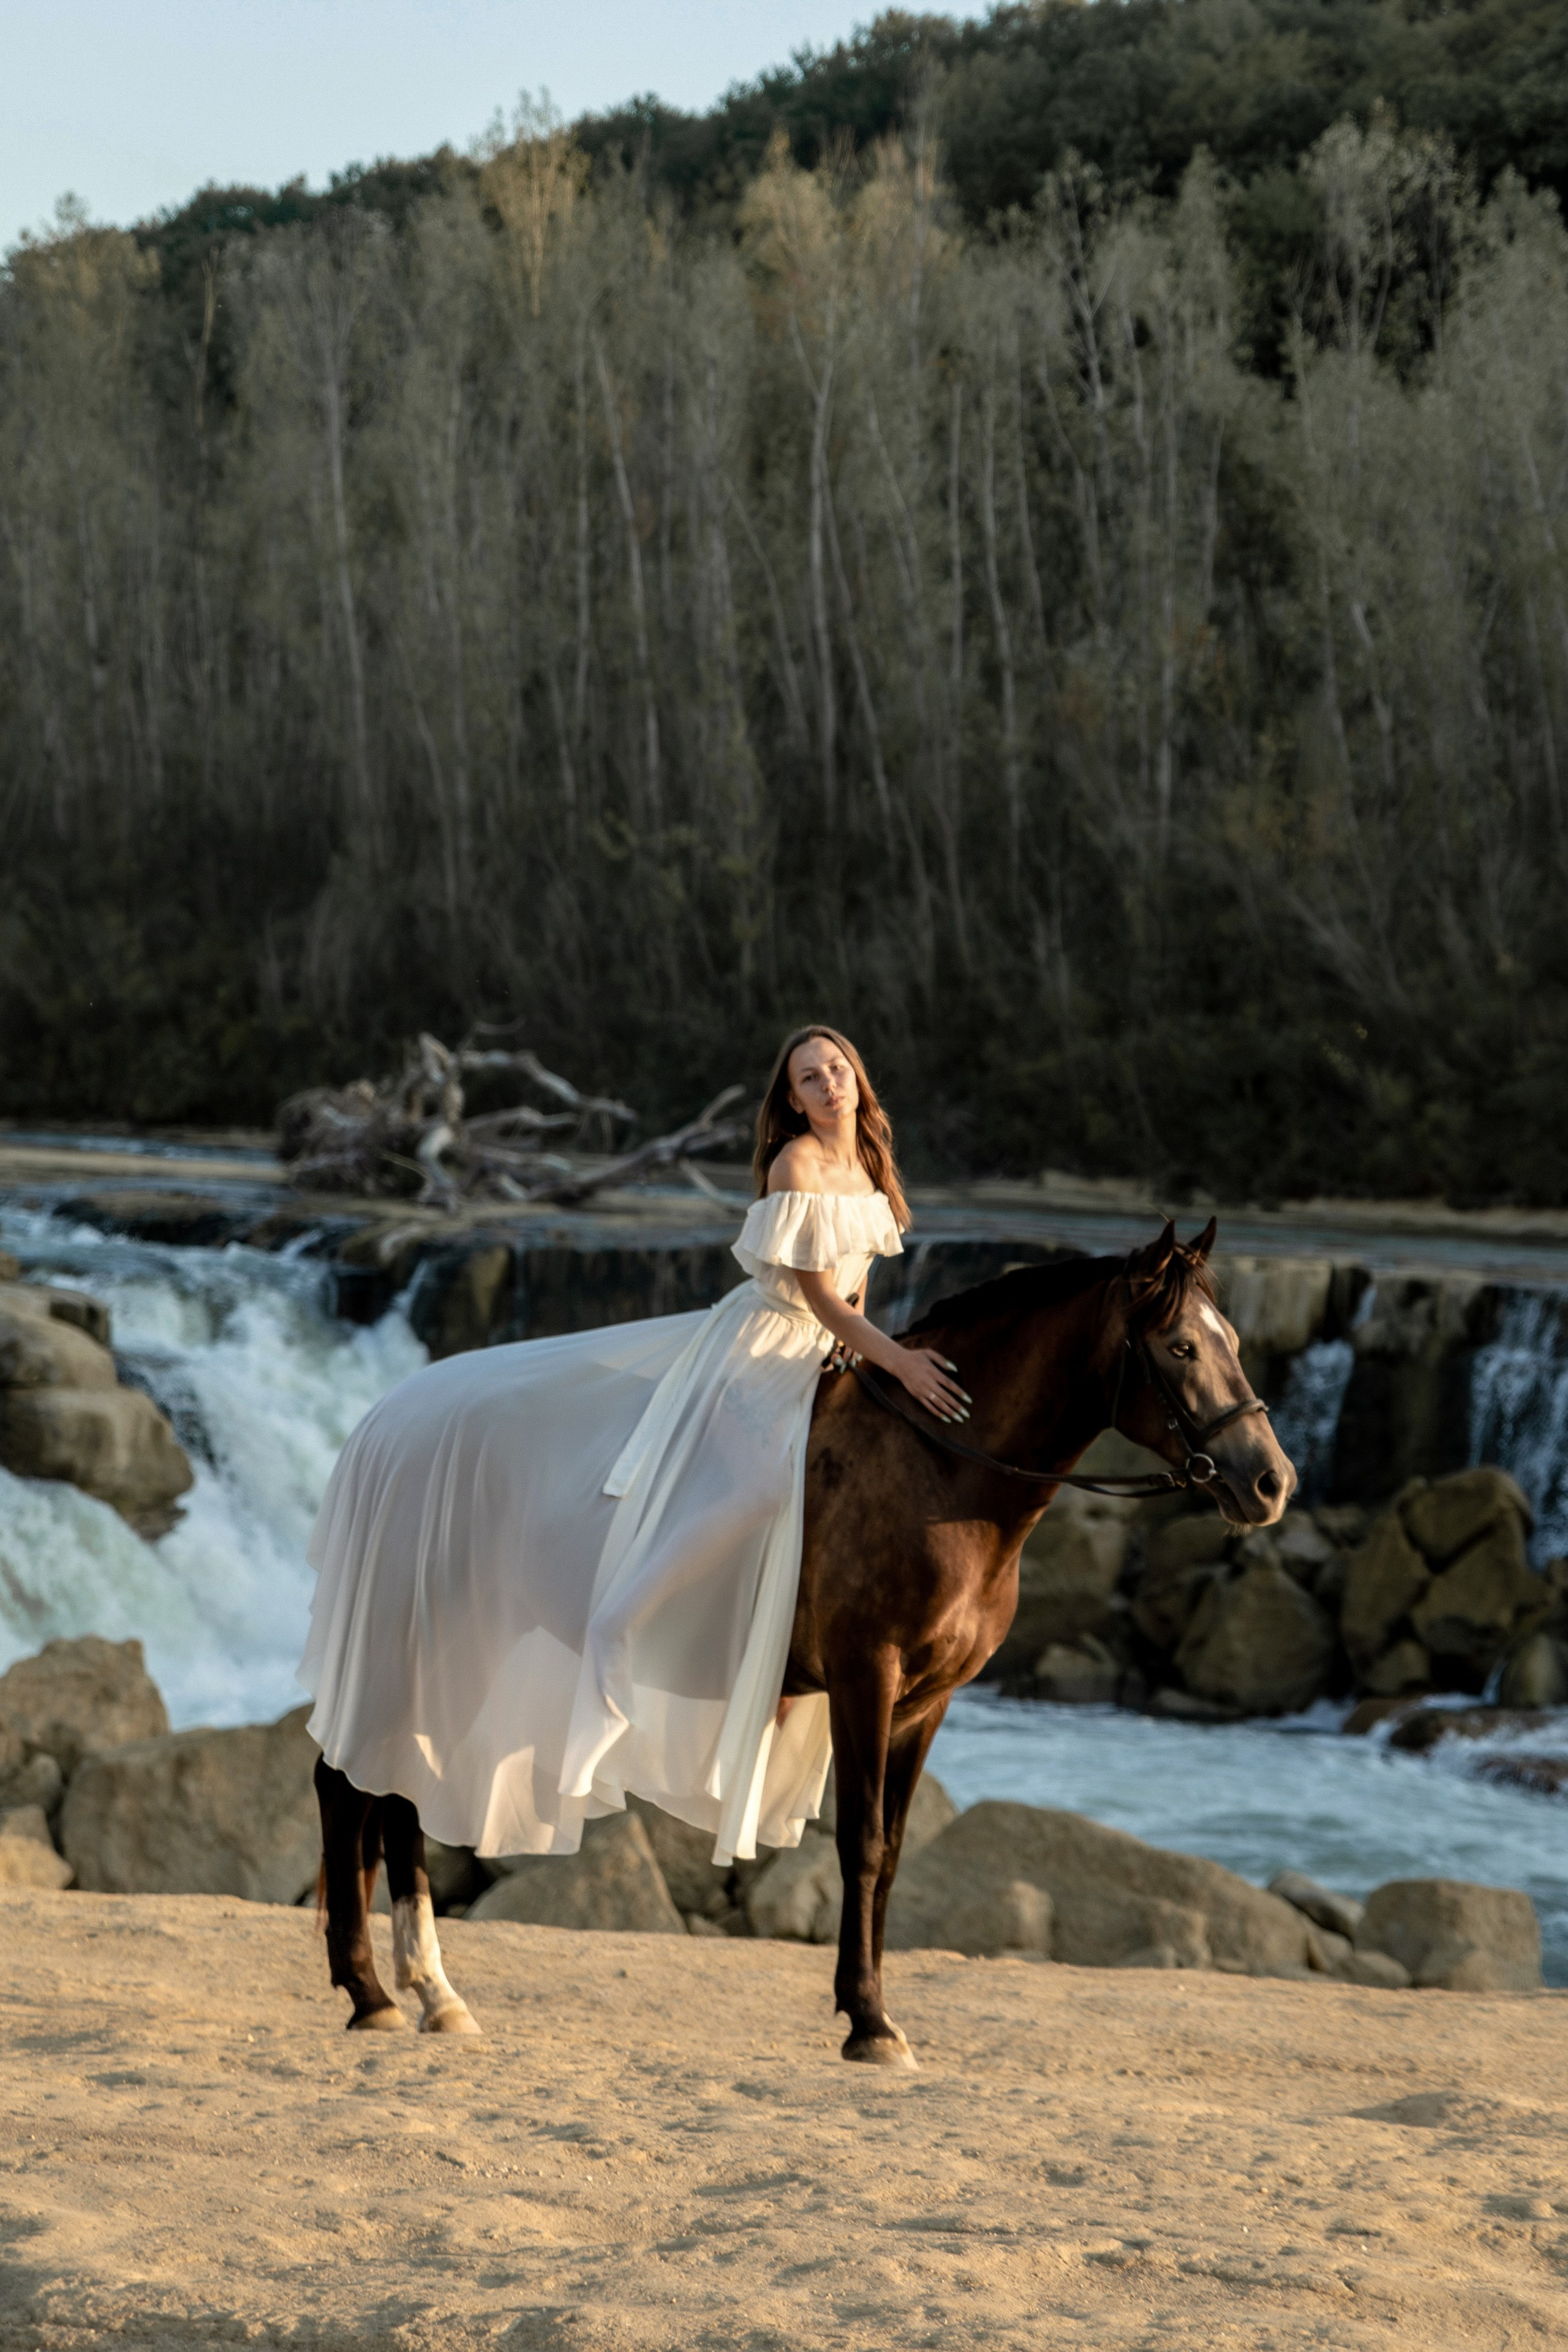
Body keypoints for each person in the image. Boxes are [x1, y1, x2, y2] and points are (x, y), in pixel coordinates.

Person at [298, 1026, 968, 1872]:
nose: (829, 1084)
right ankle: (622, 1622)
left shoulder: (869, 1167)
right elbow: (821, 1300)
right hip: (758, 1353)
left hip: (826, 1360)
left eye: (838, 1069)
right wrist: (898, 1360)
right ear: (794, 1101)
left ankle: (776, 1661)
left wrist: (861, 1367)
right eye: (810, 1078)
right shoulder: (794, 1166)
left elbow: (858, 1295)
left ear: (858, 1079)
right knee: (762, 1491)